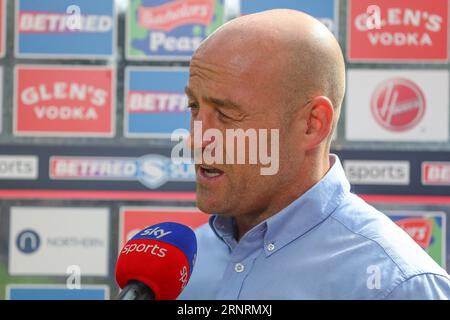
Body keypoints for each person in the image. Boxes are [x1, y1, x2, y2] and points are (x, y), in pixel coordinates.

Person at [178, 9, 450, 299]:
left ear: (312, 124)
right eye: (194, 108)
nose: (195, 140)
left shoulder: (397, 286)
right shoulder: (181, 265)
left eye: (225, 114)